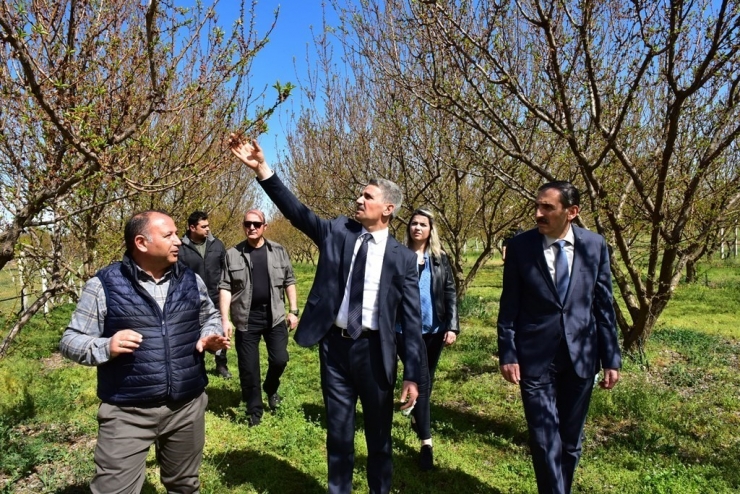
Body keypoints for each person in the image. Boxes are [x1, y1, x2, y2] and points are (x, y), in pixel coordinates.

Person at [230, 137, 423, 494]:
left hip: (375, 353)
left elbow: (411, 320)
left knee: (380, 438)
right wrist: (262, 170)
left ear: (388, 209)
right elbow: (297, 213)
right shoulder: (338, 231)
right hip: (334, 349)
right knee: (338, 433)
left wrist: (413, 375)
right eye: (360, 195)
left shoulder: (403, 259)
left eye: (368, 197)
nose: (359, 200)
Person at [59, 210, 229, 494]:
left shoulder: (190, 280)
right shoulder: (104, 285)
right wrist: (106, 346)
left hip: (186, 407)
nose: (179, 241)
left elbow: (209, 316)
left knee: (185, 485)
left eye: (177, 233)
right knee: (114, 489)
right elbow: (70, 340)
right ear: (141, 243)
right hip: (127, 411)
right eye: (169, 235)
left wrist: (208, 334)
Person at [497, 181, 622, 494]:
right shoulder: (521, 247)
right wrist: (508, 352)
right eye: (537, 206)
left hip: (581, 357)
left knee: (570, 441)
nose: (538, 213)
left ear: (572, 212)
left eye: (547, 208)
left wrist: (611, 358)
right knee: (543, 441)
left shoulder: (595, 246)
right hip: (535, 358)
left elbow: (604, 305)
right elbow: (508, 304)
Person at [219, 209, 299, 427]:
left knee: (280, 359)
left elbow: (289, 281)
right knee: (248, 368)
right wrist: (225, 319)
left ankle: (271, 388)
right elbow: (225, 287)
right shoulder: (232, 254)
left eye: (256, 223)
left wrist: (294, 310)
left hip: (274, 315)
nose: (251, 227)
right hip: (246, 317)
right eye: (247, 223)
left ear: (265, 226)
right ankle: (254, 411)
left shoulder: (279, 251)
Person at [395, 208, 459, 471]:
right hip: (404, 331)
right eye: (413, 223)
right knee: (421, 381)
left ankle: (417, 416)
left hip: (434, 329)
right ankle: (426, 443)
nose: (417, 228)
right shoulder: (399, 256)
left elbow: (450, 291)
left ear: (431, 230)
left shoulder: (439, 258)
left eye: (423, 224)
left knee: (427, 380)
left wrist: (452, 326)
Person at [180, 210, 231, 379]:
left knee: (221, 333)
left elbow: (226, 270)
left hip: (216, 297)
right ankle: (197, 365)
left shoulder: (217, 245)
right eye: (204, 226)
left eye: (208, 225)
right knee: (194, 333)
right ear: (192, 227)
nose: (208, 229)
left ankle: (221, 364)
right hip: (192, 300)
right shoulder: (181, 248)